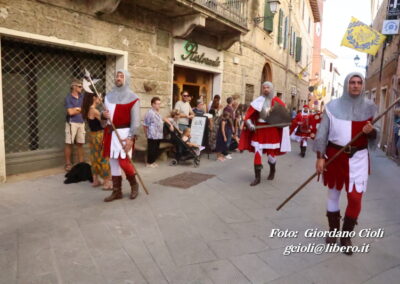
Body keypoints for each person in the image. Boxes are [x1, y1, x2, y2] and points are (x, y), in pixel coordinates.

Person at [314, 72, 379, 255]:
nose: (356, 85)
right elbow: (322, 134)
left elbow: (378, 133)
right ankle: (333, 231)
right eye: (352, 82)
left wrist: (371, 131)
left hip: (358, 159)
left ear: (363, 85)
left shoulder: (372, 108)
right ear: (346, 84)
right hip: (335, 156)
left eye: (359, 82)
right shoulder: (332, 107)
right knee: (333, 194)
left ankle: (346, 235)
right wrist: (320, 157)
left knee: (356, 198)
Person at [239, 81, 291, 186]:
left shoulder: (278, 102)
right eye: (264, 87)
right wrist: (249, 124)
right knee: (258, 153)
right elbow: (248, 116)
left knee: (271, 155)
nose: (266, 89)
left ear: (271, 89)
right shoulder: (257, 101)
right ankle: (257, 178)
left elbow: (284, 119)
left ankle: (272, 170)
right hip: (259, 131)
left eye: (268, 87)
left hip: (272, 132)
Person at [102, 70, 141, 202]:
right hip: (111, 133)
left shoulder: (133, 98)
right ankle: (117, 191)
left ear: (126, 79)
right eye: (117, 76)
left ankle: (134, 186)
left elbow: (135, 121)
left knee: (124, 163)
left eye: (121, 76)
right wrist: (103, 116)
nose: (118, 78)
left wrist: (131, 138)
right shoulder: (108, 97)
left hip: (125, 134)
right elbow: (103, 120)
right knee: (113, 163)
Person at [81, 93, 112, 190]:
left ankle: (95, 180)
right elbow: (104, 124)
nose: (101, 98)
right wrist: (106, 116)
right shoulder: (94, 110)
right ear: (94, 98)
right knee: (104, 157)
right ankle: (107, 182)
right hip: (100, 136)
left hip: (92, 136)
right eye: (99, 96)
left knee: (94, 158)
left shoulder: (87, 109)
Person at [64, 79, 85, 172]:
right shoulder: (68, 98)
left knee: (80, 143)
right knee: (69, 143)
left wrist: (76, 109)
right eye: (80, 86)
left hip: (81, 122)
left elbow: (86, 109)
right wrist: (80, 109)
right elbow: (70, 112)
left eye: (82, 86)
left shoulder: (83, 97)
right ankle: (68, 163)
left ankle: (81, 163)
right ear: (74, 87)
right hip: (71, 123)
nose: (82, 88)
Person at [143, 97, 164, 168]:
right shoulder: (150, 113)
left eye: (159, 104)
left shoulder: (157, 112)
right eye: (157, 104)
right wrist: (146, 134)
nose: (159, 105)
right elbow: (145, 125)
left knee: (156, 149)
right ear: (153, 104)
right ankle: (149, 163)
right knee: (151, 149)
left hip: (158, 135)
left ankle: (153, 161)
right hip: (152, 135)